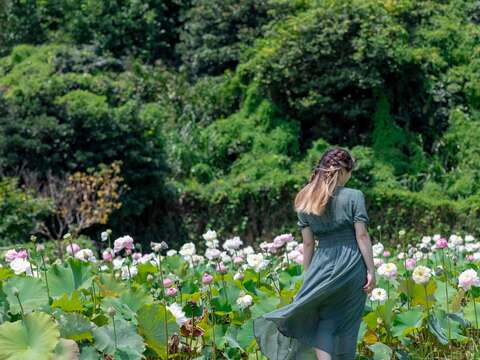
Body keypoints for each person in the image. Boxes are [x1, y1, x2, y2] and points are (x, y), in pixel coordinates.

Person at [253, 147, 376, 360]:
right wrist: (371, 271)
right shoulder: (355, 196)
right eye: (350, 173)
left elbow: (308, 244)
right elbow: (362, 236)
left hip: (322, 264)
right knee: (348, 321)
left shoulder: (305, 199)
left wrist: (309, 276)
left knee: (325, 321)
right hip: (352, 264)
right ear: (344, 171)